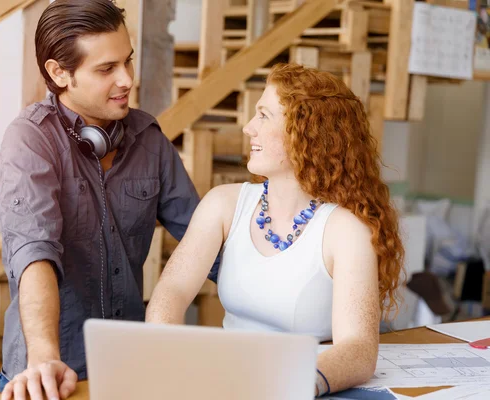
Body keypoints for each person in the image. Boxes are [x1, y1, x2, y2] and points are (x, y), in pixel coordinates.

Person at [146, 63, 405, 397]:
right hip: (225, 383)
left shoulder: (346, 231)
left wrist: (296, 383)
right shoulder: (223, 204)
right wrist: (167, 357)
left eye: (264, 116)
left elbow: (358, 349)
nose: (248, 128)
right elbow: (171, 292)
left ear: (308, 133)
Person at [0, 1, 210, 399]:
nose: (127, 79)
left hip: (125, 367)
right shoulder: (30, 140)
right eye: (106, 69)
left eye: (127, 61)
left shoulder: (149, 140)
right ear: (60, 73)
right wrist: (45, 357)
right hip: (52, 374)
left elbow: (205, 239)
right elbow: (34, 253)